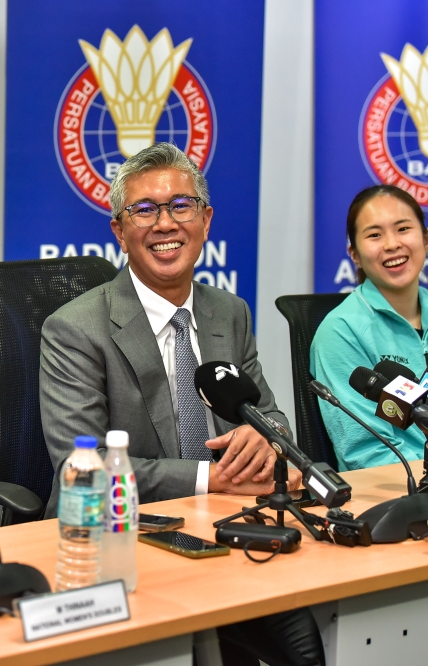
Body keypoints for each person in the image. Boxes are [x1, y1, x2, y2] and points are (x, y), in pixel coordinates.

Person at [40, 143, 321, 666]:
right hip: (116, 542)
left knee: (312, 631)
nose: (165, 223)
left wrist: (265, 437)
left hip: (223, 528)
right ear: (119, 231)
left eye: (180, 206)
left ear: (205, 220)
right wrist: (214, 478)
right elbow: (86, 469)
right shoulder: (74, 329)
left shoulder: (229, 312)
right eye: (144, 210)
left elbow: (271, 415)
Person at [311, 184, 428, 471]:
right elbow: (366, 452)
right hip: (396, 490)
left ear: (426, 239)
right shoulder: (341, 332)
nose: (391, 244)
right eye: (374, 235)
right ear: (355, 254)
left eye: (403, 229)